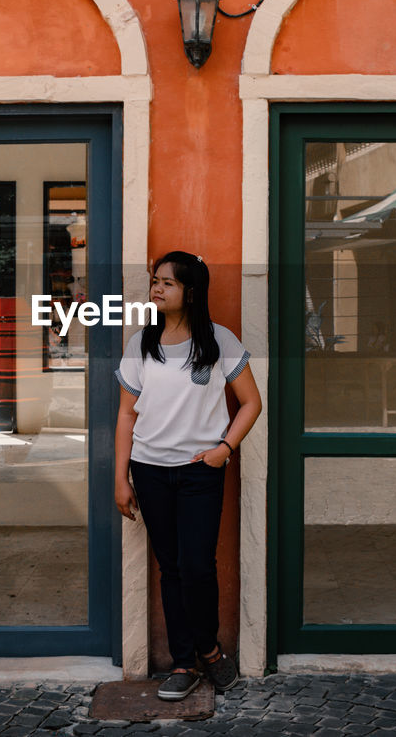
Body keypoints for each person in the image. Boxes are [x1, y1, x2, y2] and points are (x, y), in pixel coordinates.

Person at [114, 251, 262, 701]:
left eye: (168, 284)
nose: (157, 289)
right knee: (171, 569)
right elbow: (125, 415)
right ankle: (183, 662)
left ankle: (211, 652)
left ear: (191, 292)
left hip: (201, 472)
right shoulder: (141, 343)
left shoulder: (220, 342)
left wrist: (224, 449)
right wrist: (120, 478)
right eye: (155, 281)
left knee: (198, 567)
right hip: (150, 471)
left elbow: (251, 403)